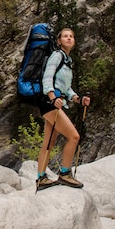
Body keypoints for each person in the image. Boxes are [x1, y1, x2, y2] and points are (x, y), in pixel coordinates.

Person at [35, 28, 91, 192]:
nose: (69, 38)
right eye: (65, 36)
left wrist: (78, 99)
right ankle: (65, 174)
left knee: (49, 142)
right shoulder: (57, 56)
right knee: (74, 137)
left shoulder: (67, 60)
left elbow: (66, 88)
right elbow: (47, 77)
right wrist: (53, 97)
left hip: (52, 102)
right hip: (50, 102)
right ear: (59, 41)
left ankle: (41, 178)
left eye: (72, 36)